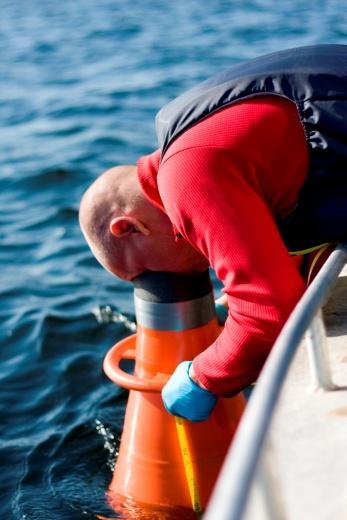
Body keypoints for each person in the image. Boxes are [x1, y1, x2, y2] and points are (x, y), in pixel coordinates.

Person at [79, 44, 347, 422]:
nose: (167, 287)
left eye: (150, 277)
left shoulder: (186, 176)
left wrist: (203, 379)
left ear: (129, 227)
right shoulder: (192, 129)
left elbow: (268, 313)